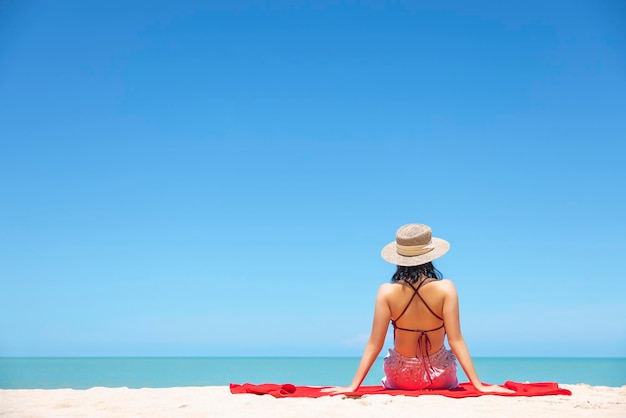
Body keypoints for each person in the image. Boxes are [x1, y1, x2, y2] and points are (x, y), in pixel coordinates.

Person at [323, 224, 512, 394]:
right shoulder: (446, 288)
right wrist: (478, 385)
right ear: (430, 256)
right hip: (440, 379)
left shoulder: (386, 292)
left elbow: (375, 343)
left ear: (399, 257)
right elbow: (456, 340)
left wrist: (353, 386)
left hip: (401, 380)